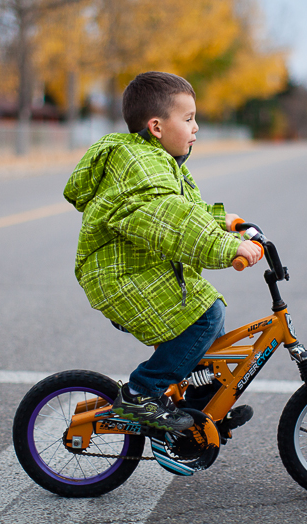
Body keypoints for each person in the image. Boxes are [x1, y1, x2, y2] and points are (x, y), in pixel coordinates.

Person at [63, 72, 262, 432]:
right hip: (120, 275)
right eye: (188, 119)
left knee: (208, 332)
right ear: (156, 126)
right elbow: (171, 221)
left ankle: (202, 406)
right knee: (206, 316)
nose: (196, 127)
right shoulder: (141, 167)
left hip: (140, 267)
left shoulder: (162, 161)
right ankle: (142, 394)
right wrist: (227, 247)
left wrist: (222, 220)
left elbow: (189, 209)